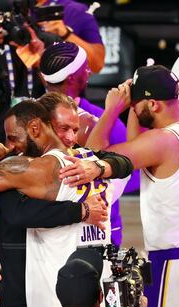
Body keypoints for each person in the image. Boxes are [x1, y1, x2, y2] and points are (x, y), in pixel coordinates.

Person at [0, 97, 133, 307]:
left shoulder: (34, 168)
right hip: (98, 287)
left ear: (35, 128)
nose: (10, 146)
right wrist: (102, 170)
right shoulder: (90, 159)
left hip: (57, 292)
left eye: (12, 138)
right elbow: (125, 164)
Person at [86, 65, 179, 307]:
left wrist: (112, 109)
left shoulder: (162, 141)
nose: (131, 107)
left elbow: (93, 155)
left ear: (153, 105)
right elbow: (138, 145)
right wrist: (136, 108)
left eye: (135, 104)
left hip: (176, 263)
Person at [0, 0, 60, 301]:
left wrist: (41, 56)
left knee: (38, 241)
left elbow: (61, 98)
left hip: (37, 153)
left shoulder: (46, 42)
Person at [39, 42, 134, 246]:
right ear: (73, 77)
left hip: (41, 229)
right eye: (85, 68)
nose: (89, 71)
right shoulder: (93, 122)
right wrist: (114, 111)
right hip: (89, 232)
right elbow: (124, 170)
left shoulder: (24, 117)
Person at [37, 0, 105, 73]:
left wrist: (66, 34)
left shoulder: (75, 10)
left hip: (57, 82)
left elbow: (97, 64)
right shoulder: (24, 10)